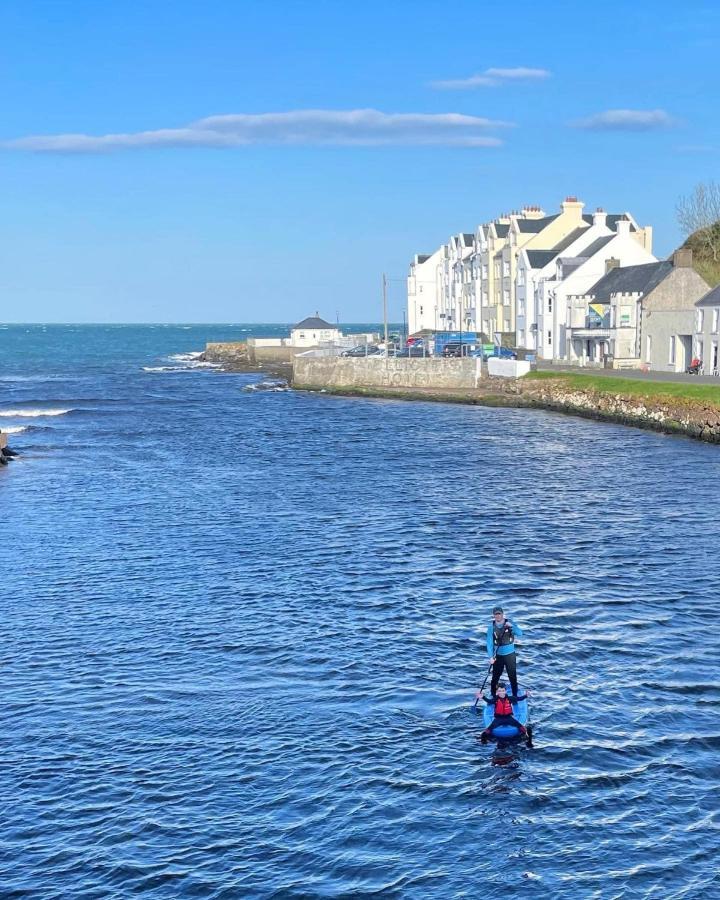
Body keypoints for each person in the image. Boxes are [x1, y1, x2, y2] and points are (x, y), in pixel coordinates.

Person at [478, 683, 533, 747]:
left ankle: (529, 742)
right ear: (497, 692)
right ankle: (483, 742)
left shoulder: (510, 698)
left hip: (508, 718)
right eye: (500, 691)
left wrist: (526, 695)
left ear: (505, 691)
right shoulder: (495, 699)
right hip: (498, 719)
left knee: (523, 728)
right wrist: (483, 697)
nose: (501, 693)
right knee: (486, 731)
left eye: (503, 691)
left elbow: (519, 699)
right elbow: (489, 701)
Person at [486, 605, 523, 696]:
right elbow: (489, 643)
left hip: (510, 655)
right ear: (493, 616)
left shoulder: (510, 623)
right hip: (498, 656)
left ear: (503, 614)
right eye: (496, 614)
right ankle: (493, 696)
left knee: (512, 676)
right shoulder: (491, 628)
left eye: (499, 614)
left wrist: (512, 626)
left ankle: (515, 697)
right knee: (495, 677)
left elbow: (520, 633)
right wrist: (491, 657)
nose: (498, 616)